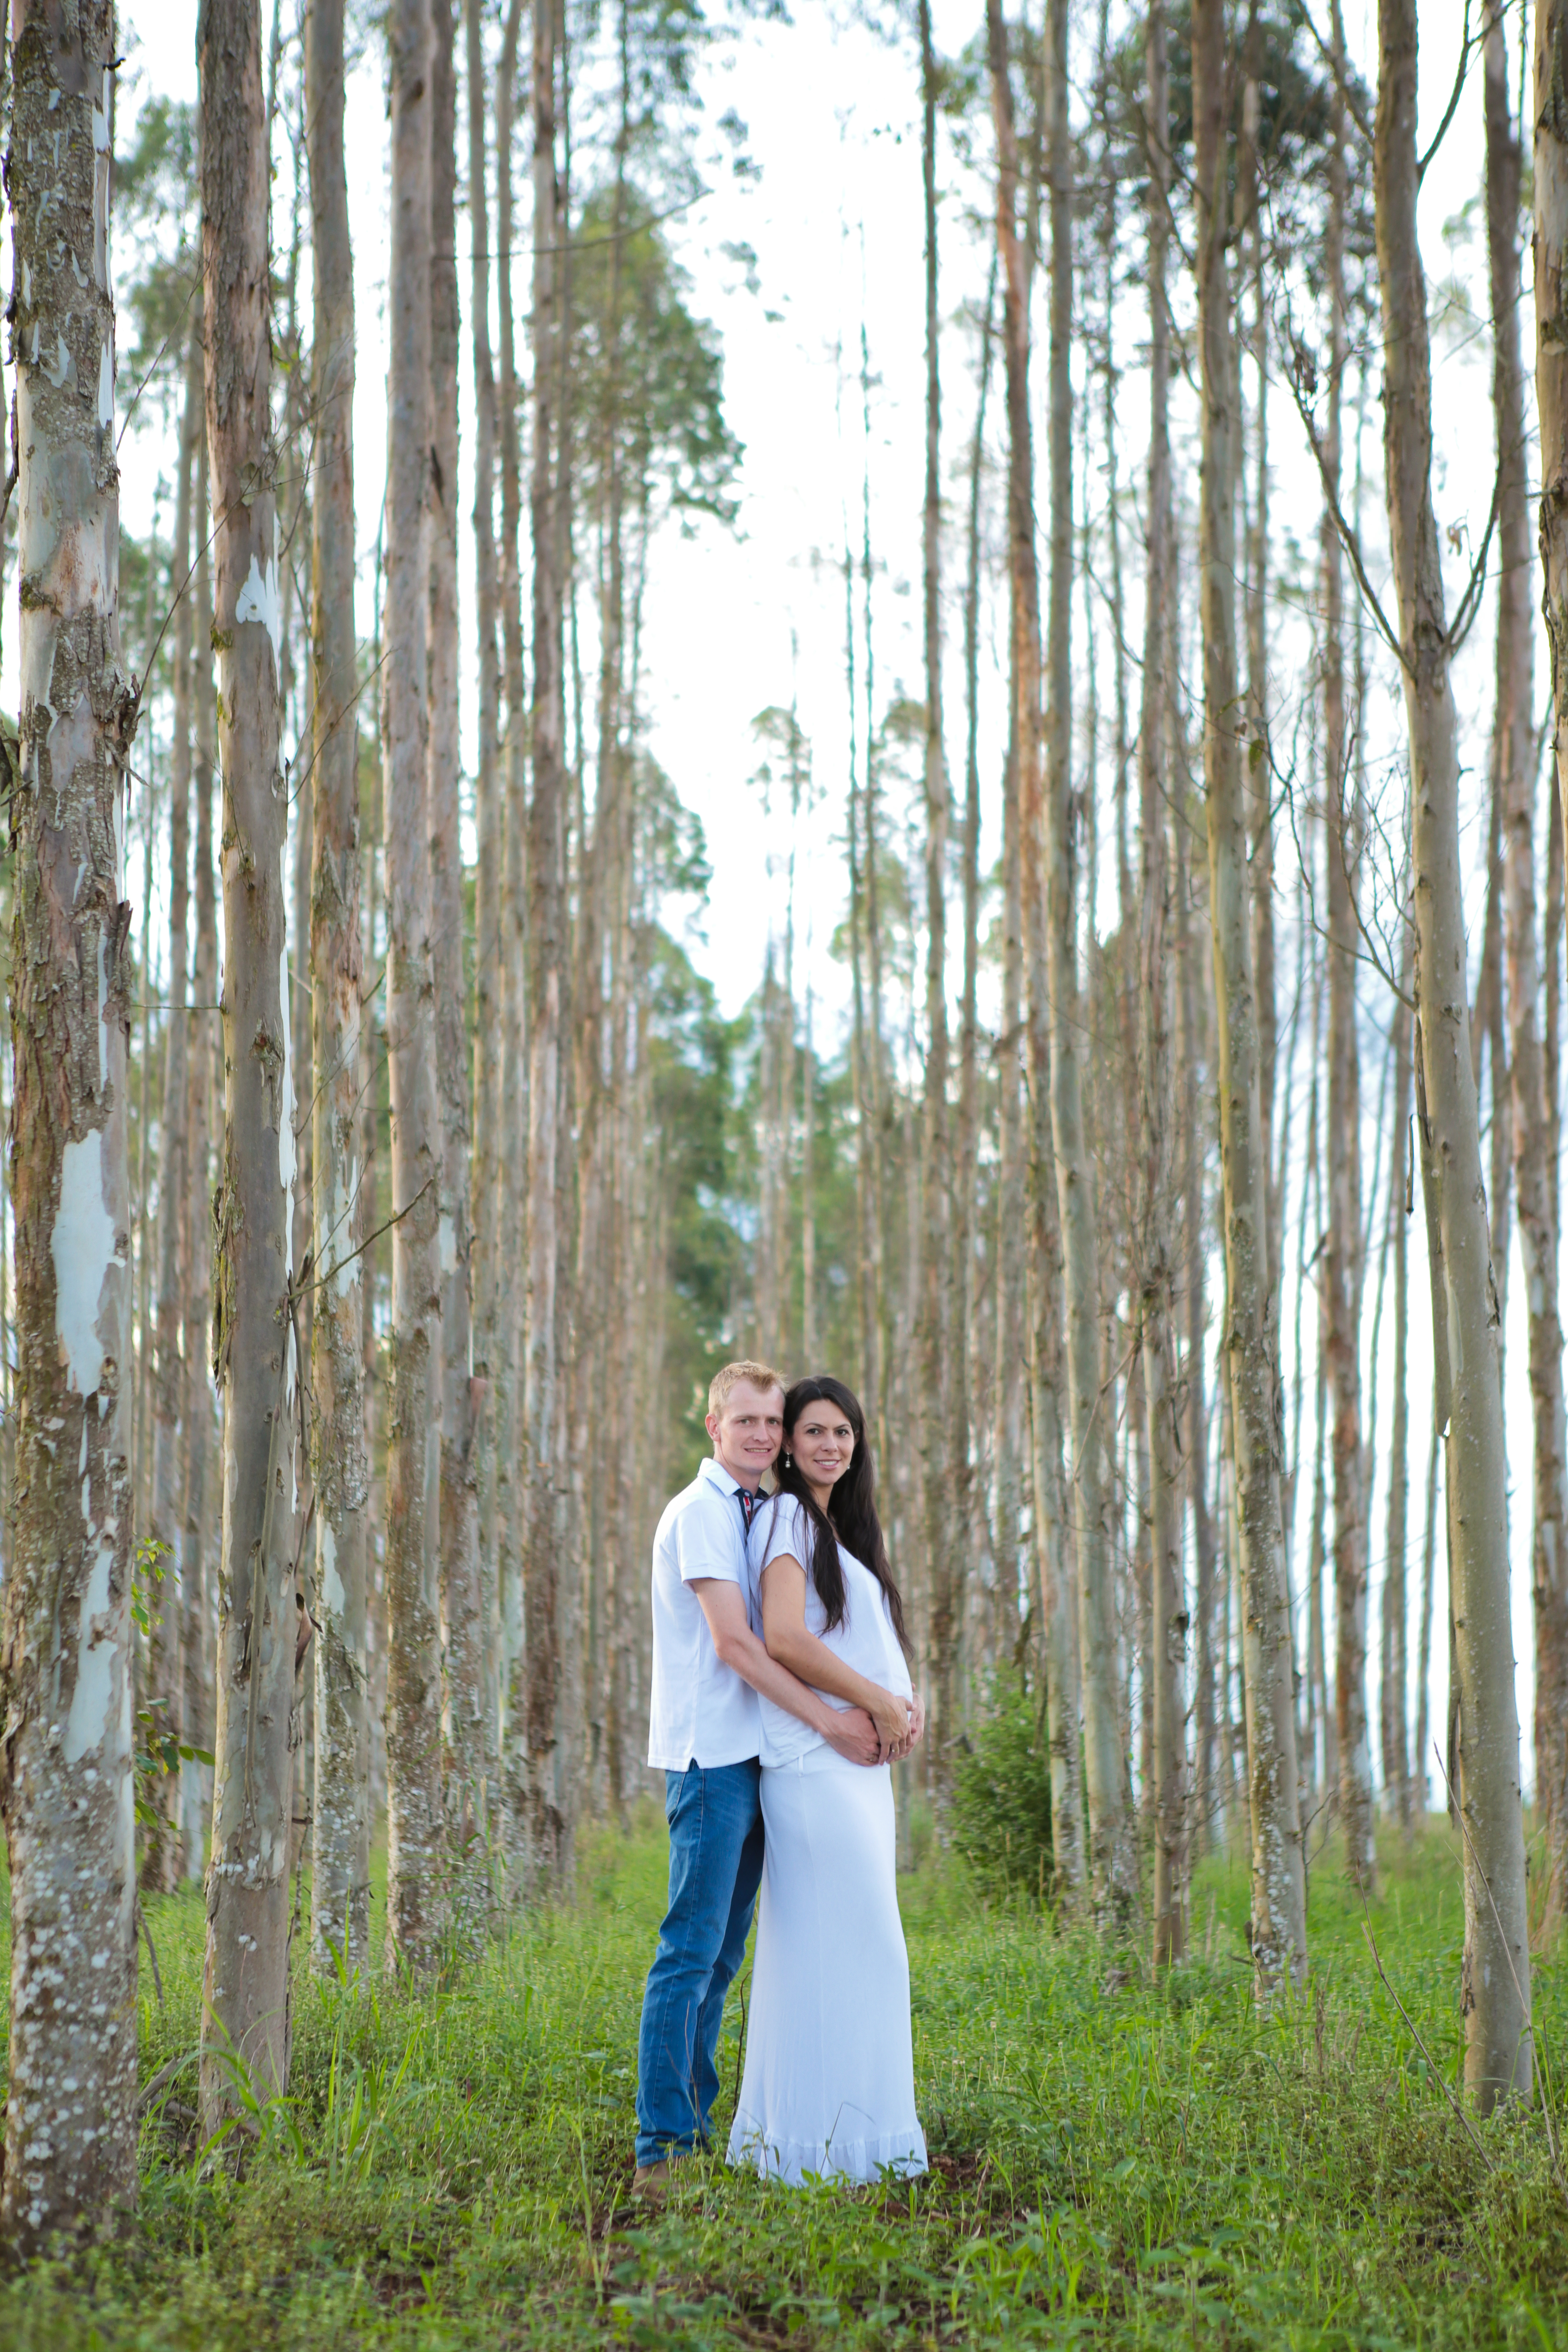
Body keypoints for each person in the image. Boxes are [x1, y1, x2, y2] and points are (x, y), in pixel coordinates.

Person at [633, 1361, 891, 2196]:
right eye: (746, 1420)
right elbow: (739, 1646)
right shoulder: (703, 1513)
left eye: (771, 1423)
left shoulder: (758, 1515)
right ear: (713, 1424)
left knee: (720, 1959)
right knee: (690, 1953)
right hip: (711, 1758)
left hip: (755, 1758)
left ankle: (696, 2131)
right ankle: (663, 2149)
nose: (763, 1435)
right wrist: (832, 1721)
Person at [728, 1373, 928, 2186]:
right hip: (815, 1768)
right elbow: (781, 1637)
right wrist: (877, 1701)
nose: (830, 1445)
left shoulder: (836, 1534)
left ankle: (843, 2143)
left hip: (853, 1772)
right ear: (786, 1443)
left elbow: (850, 1637)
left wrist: (901, 1710)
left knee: (851, 1952)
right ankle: (817, 2150)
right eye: (813, 1431)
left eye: (843, 1432)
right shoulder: (783, 1518)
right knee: (848, 1950)